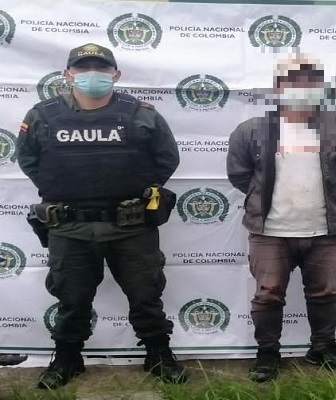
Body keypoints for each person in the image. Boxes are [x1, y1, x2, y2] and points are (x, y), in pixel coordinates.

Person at [17, 43, 187, 389]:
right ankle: (67, 359)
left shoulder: (142, 114)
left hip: (131, 225)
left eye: (101, 68)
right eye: (82, 68)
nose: (92, 74)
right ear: (68, 75)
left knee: (146, 295)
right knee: (71, 298)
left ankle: (159, 355)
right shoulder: (41, 116)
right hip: (70, 225)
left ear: (116, 74)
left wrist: (134, 190)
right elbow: (29, 160)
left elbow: (167, 159)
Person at [227, 54, 336, 382]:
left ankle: (323, 348)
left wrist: (331, 195)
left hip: (326, 231)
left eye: (310, 80)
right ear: (278, 87)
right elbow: (240, 175)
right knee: (268, 294)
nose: (302, 87)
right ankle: (267, 353)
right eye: (293, 80)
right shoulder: (251, 130)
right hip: (270, 231)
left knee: (325, 293)